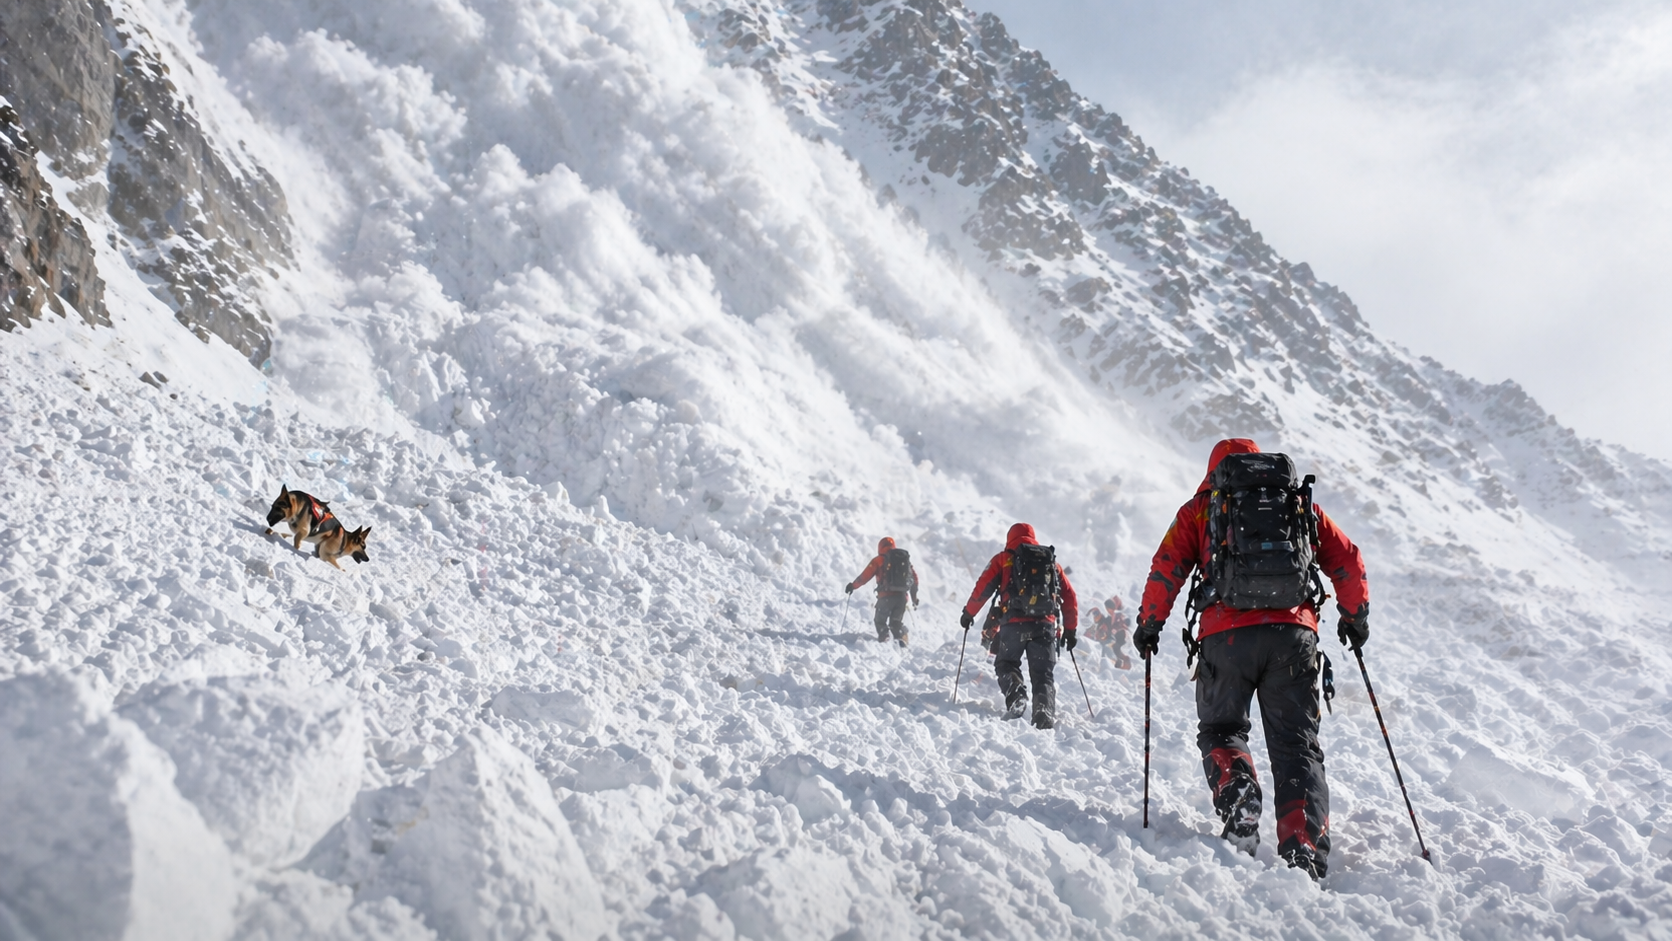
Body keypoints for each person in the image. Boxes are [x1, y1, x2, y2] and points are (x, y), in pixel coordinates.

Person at [1133, 438, 1368, 880]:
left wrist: (1149, 626)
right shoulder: (1296, 503)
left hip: (1226, 637)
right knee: (1296, 744)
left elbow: (1165, 568)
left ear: (1214, 469)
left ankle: (1237, 787)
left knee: (1222, 729)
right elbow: (1348, 561)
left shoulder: (1201, 508)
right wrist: (1355, 619)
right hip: (1295, 637)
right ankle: (1302, 845)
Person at [958, 523, 1079, 729]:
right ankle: (1043, 712)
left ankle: (1016, 696)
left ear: (1010, 538)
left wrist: (969, 613)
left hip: (1013, 624)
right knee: (1043, 673)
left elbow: (983, 587)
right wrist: (1070, 628)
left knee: (1006, 663)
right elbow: (1069, 595)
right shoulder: (1050, 562)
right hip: (1045, 625)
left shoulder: (1003, 559)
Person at [846, 537, 919, 646]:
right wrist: (914, 597)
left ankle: (884, 639)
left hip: (886, 597)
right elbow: (914, 579)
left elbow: (865, 576)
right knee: (895, 623)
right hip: (902, 598)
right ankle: (901, 642)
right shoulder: (904, 560)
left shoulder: (879, 560)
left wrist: (853, 586)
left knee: (880, 621)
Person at [1103, 597, 1133, 670]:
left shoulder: (1117, 615)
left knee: (1116, 648)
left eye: (1107, 608)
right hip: (1118, 635)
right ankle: (1118, 665)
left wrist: (1113, 630)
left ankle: (1126, 663)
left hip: (1122, 634)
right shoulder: (1113, 615)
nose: (1107, 610)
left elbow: (1120, 623)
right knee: (1115, 649)